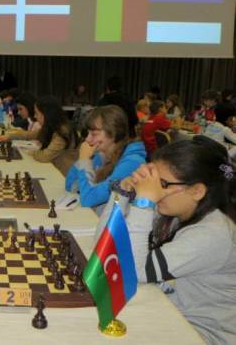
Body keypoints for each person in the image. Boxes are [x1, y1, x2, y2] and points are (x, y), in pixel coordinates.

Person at [97, 136, 236, 344]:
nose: (155, 191)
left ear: (197, 191)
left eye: (162, 184)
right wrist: (122, 193)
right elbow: (105, 246)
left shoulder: (212, 234)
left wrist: (144, 203)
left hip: (202, 333)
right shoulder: (175, 211)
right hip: (170, 310)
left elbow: (132, 272)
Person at [65, 105, 146, 212]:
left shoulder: (132, 163)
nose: (87, 139)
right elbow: (70, 185)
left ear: (113, 133)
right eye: (88, 133)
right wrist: (83, 159)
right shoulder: (103, 155)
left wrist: (84, 160)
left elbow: (88, 199)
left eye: (94, 134)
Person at [0, 96, 77, 163]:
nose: (34, 116)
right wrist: (9, 136)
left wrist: (31, 152)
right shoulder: (52, 126)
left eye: (37, 113)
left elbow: (44, 157)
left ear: (47, 114)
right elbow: (30, 134)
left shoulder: (61, 132)